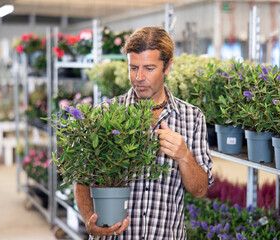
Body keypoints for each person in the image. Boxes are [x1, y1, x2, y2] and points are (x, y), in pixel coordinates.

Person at [74, 26, 213, 240]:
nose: (139, 77)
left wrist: (184, 156)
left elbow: (200, 190)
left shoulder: (192, 117)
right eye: (133, 68)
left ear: (167, 66)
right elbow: (82, 180)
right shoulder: (105, 113)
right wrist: (89, 220)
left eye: (149, 68)